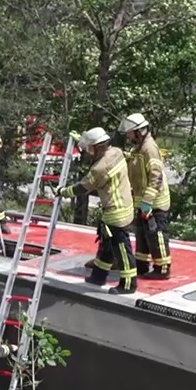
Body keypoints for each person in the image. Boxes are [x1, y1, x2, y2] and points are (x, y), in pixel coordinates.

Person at [72, 127, 138, 294]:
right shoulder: (116, 152)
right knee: (107, 245)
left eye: (90, 148)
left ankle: (129, 284)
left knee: (122, 250)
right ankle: (98, 276)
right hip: (124, 206)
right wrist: (82, 139)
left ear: (97, 146)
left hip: (117, 212)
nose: (88, 152)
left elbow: (83, 187)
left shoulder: (99, 168)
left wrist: (62, 192)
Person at [120, 112, 173, 280]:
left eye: (130, 132)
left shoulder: (149, 148)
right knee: (143, 235)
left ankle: (162, 269)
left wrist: (148, 202)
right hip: (142, 202)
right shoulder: (140, 146)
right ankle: (142, 265)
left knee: (156, 235)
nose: (128, 135)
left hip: (154, 203)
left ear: (139, 131)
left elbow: (155, 176)